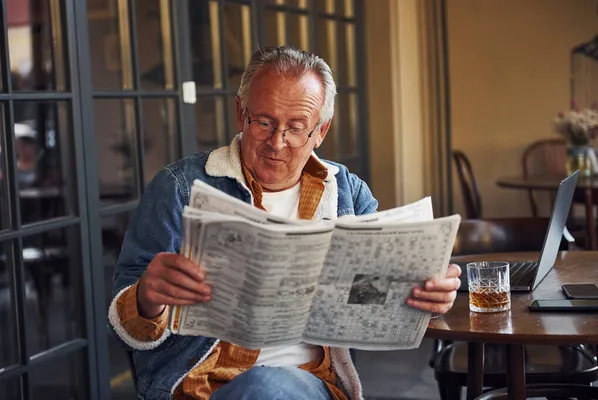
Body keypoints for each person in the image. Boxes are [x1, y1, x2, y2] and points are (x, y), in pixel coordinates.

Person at [108, 45, 461, 400]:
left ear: (320, 131)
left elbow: (372, 297)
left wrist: (424, 296)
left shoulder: (347, 195)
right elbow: (124, 327)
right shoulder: (179, 188)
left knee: (266, 387)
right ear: (240, 113)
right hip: (199, 386)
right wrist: (146, 297)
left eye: (295, 128)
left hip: (308, 385)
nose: (276, 142)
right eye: (264, 123)